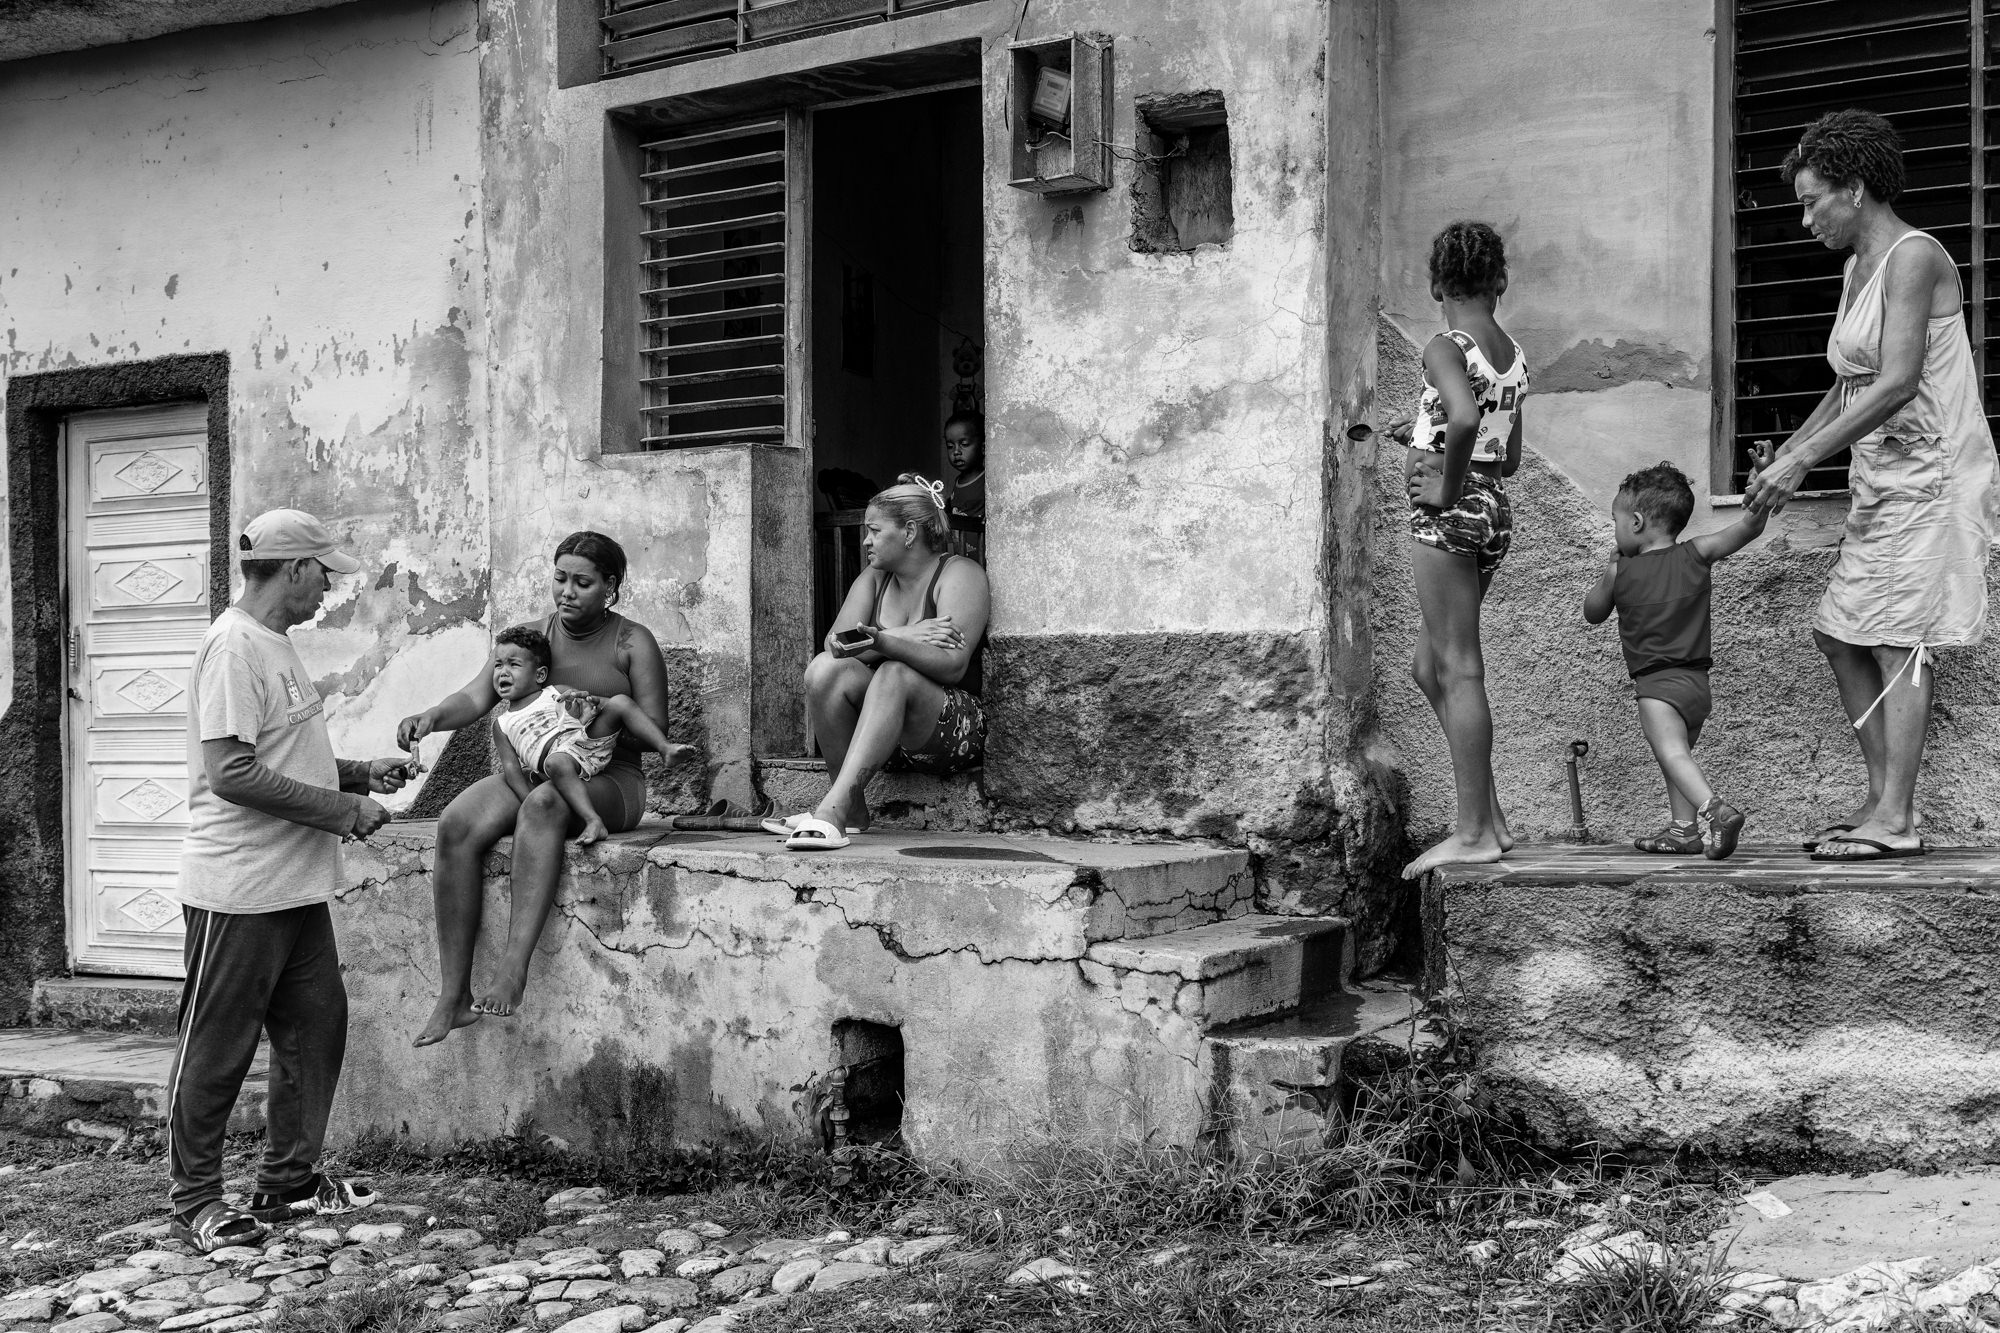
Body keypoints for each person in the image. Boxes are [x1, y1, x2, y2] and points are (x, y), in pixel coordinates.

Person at [1744, 108, 1999, 862]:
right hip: (1884, 478)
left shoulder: (1915, 258)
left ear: (1855, 188)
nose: (1803, 217)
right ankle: (1880, 799)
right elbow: (1850, 384)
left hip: (1934, 477)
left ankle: (1895, 818)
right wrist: (1788, 453)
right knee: (1839, 632)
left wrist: (1801, 461)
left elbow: (1895, 383)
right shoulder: (1857, 268)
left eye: (1811, 198)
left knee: (1899, 641)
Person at [167, 509, 409, 1251]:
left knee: (315, 1027)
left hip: (294, 886)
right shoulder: (235, 646)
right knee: (217, 1046)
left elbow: (273, 753)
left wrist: (359, 771)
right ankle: (195, 1200)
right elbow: (231, 771)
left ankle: (288, 1183)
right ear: (296, 568)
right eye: (324, 573)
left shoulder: (272, 644)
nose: (328, 589)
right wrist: (343, 809)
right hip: (237, 890)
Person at [397, 532, 671, 1042]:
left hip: (610, 779)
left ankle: (512, 969)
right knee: (456, 822)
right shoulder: (532, 637)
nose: (566, 592)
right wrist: (431, 716)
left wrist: (590, 712)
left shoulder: (632, 642)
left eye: (582, 583)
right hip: (535, 767)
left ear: (610, 587)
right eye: (560, 578)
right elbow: (477, 697)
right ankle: (453, 994)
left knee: (544, 803)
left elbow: (654, 732)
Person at [1399, 220, 1529, 881]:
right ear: (1499, 282)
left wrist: (1443, 488)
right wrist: (1423, 431)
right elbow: (1503, 455)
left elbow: (1468, 422)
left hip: (1450, 519)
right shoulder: (1510, 353)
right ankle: (1492, 815)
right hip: (1493, 513)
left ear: (1436, 286)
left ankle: (1474, 831)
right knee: (1429, 665)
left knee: (1460, 668)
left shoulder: (1444, 344)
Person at [773, 475, 990, 850]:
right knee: (824, 669)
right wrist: (904, 635)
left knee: (894, 672)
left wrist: (883, 643)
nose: (866, 541)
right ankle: (852, 810)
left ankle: (832, 812)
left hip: (951, 730)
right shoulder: (875, 579)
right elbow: (835, 645)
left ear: (908, 532)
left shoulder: (960, 574)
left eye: (874, 530)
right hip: (888, 729)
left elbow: (952, 664)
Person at [1583, 463, 1767, 859]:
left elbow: (1592, 612)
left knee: (1672, 754)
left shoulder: (1621, 570)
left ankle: (1716, 812)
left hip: (1656, 685)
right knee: (1678, 759)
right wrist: (1760, 490)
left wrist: (1608, 572)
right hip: (1696, 685)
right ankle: (1683, 831)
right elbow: (1749, 528)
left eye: (1614, 521)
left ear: (1635, 522)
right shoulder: (1697, 553)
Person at [488, 625, 691, 846]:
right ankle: (593, 820)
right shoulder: (502, 724)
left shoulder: (555, 692)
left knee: (620, 701)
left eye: (513, 665)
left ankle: (666, 749)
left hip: (587, 743)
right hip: (561, 764)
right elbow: (511, 770)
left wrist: (584, 712)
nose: (503, 672)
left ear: (540, 674)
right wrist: (526, 803)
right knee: (556, 762)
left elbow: (586, 709)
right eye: (498, 665)